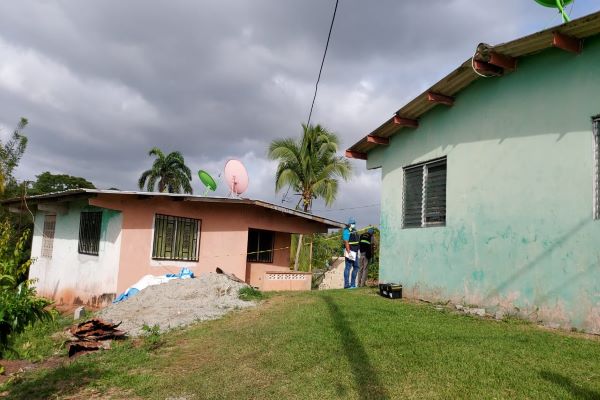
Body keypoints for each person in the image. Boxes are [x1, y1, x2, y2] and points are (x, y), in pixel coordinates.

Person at [342, 217, 360, 289]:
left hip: (355, 252)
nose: (354, 224)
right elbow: (346, 242)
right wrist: (349, 252)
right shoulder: (346, 231)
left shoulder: (354, 231)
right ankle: (346, 284)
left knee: (356, 267)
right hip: (350, 251)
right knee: (348, 267)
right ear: (349, 224)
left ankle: (353, 284)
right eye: (352, 223)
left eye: (354, 223)